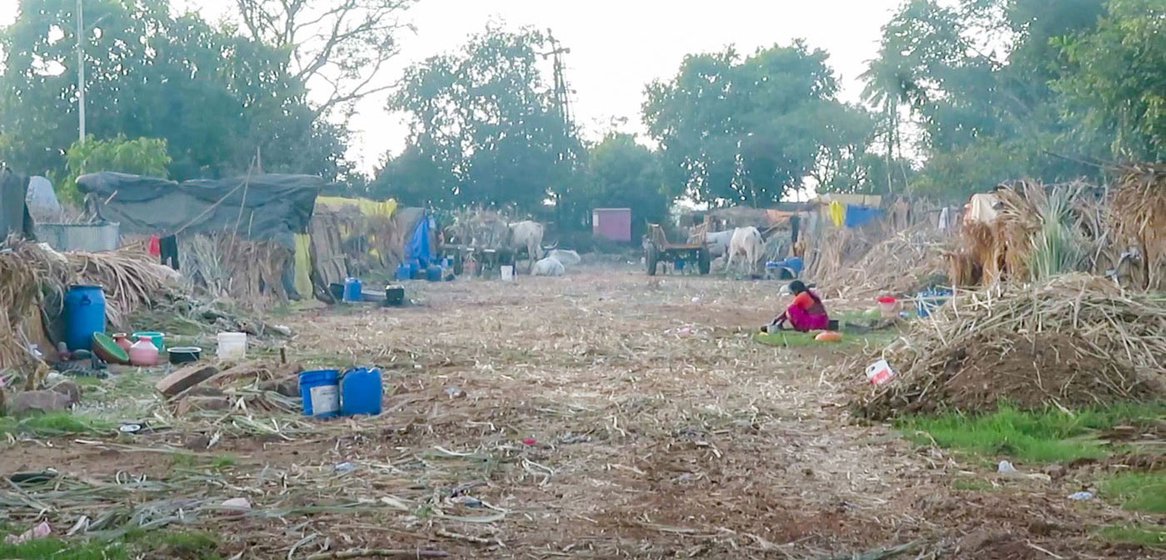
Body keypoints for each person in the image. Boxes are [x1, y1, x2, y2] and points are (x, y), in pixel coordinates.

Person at [763, 280, 830, 333]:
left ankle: (803, 328)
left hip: (815, 323)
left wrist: (776, 320)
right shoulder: (809, 294)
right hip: (824, 322)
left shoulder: (802, 296)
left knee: (791, 309)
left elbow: (787, 312)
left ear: (796, 291)